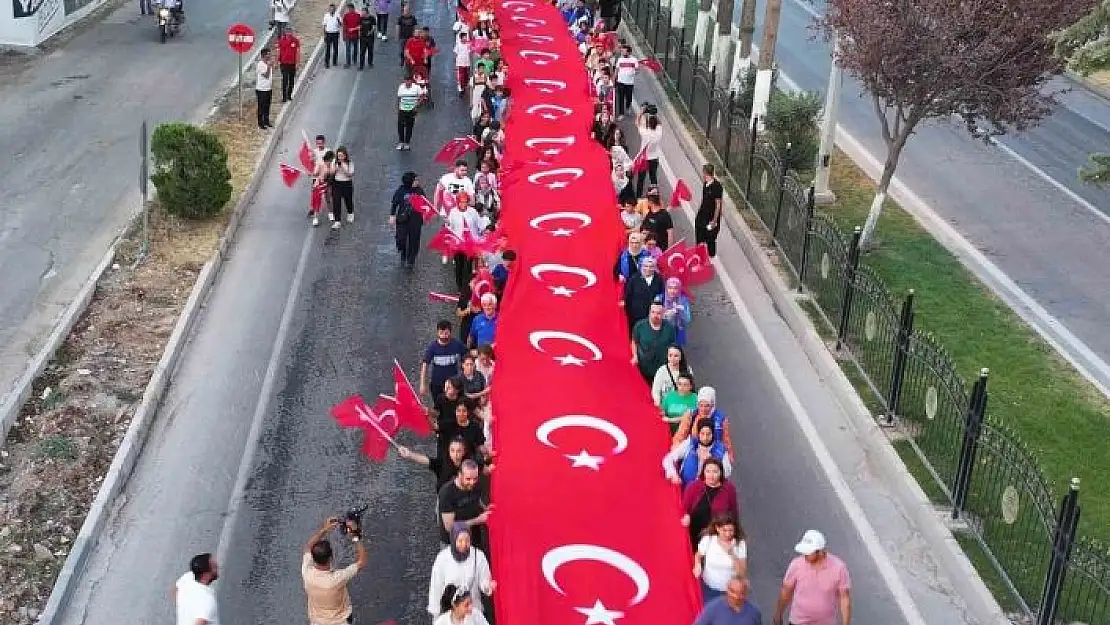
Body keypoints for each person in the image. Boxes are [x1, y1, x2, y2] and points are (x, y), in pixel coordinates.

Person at [773, 530, 852, 625]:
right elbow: (786, 591)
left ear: (821, 552)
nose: (805, 554)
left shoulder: (839, 568)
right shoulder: (796, 565)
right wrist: (778, 613)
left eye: (808, 552)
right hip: (798, 622)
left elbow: (844, 598)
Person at [302, 516, 367, 625]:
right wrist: (355, 536)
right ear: (331, 557)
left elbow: (308, 547)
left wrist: (325, 529)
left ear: (313, 558)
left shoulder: (307, 573)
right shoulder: (337, 579)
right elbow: (362, 562)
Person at [427, 523, 496, 619]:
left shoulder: (478, 556)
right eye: (460, 541)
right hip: (451, 616)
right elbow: (436, 587)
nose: (464, 544)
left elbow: (484, 581)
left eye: (467, 540)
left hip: (473, 612)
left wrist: (488, 586)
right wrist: (436, 615)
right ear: (454, 540)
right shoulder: (442, 559)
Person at [680, 457, 739, 548]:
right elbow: (683, 509)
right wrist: (686, 516)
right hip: (694, 530)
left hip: (715, 534)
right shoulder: (693, 487)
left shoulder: (729, 489)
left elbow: (734, 513)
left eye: (715, 471)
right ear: (703, 472)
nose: (711, 475)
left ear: (721, 473)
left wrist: (734, 534)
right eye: (708, 471)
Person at [438, 460, 493, 549]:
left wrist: (485, 508)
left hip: (474, 539)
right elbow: (450, 527)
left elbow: (476, 499)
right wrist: (478, 520)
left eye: (475, 478)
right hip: (453, 542)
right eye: (468, 479)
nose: (472, 482)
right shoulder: (446, 493)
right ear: (460, 475)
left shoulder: (476, 484)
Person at [664, 418, 733, 488]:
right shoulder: (690, 444)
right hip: (686, 487)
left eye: (708, 434)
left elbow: (727, 471)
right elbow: (668, 459)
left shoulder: (720, 449)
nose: (705, 438)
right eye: (702, 434)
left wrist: (711, 462)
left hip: (709, 491)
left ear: (713, 434)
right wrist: (673, 474)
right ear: (698, 433)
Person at [694, 516, 749, 603]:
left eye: (731, 530)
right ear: (717, 529)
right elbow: (698, 555)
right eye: (724, 530)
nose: (728, 534)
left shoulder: (740, 544)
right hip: (708, 589)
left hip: (730, 592)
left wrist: (731, 553)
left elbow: (741, 573)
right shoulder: (708, 540)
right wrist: (698, 565)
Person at [671, 386, 734, 460]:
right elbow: (680, 436)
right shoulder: (691, 415)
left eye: (707, 406)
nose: (703, 409)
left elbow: (725, 440)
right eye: (701, 405)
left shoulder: (721, 418)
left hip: (714, 456)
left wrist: (729, 456)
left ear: (712, 405)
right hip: (694, 454)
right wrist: (676, 452)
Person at [398, 436, 475, 492]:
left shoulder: (469, 464)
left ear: (464, 452)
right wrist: (409, 454)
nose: (455, 454)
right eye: (452, 450)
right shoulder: (442, 463)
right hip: (445, 502)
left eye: (459, 451)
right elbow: (426, 460)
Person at [631, 299, 677, 382]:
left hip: (662, 370)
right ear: (649, 312)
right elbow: (634, 341)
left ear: (663, 314)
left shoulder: (669, 328)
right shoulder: (639, 326)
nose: (655, 315)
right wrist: (635, 356)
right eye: (653, 312)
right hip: (643, 369)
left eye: (658, 313)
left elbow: (673, 347)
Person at [421, 320, 469, 397]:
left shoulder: (457, 344)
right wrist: (422, 384)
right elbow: (425, 364)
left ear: (450, 332)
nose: (443, 336)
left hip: (454, 384)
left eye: (446, 333)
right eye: (441, 333)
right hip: (437, 385)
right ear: (437, 333)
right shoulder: (432, 347)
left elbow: (467, 355)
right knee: (438, 406)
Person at [694, 576, 763, 625]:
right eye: (732, 591)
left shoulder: (754, 612)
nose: (735, 596)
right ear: (727, 589)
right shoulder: (712, 608)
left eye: (740, 593)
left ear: (746, 594)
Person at [391, 171, 425, 266]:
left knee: (414, 239)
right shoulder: (401, 190)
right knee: (401, 238)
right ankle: (403, 251)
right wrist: (392, 215)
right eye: (415, 180)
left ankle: (411, 258)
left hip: (416, 218)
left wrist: (425, 214)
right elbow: (394, 203)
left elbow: (425, 203)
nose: (417, 182)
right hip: (402, 217)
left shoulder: (419, 190)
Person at [173, 553, 219, 625]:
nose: (217, 567)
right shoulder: (207, 601)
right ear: (205, 575)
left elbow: (176, 588)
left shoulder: (187, 577)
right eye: (214, 567)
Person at [622, 256, 664, 330]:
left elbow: (662, 295)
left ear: (654, 268)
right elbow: (627, 297)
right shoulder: (634, 279)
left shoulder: (659, 279)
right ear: (641, 266)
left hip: (653, 317)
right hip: (636, 317)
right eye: (645, 266)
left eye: (651, 266)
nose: (648, 269)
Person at [696, 163, 725, 257]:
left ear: (705, 173)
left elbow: (718, 205)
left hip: (711, 217)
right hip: (702, 215)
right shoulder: (705, 184)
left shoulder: (717, 187)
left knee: (710, 238)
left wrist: (714, 220)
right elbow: (704, 199)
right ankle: (699, 255)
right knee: (699, 234)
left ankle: (711, 256)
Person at [636, 110, 663, 196]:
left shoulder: (645, 132)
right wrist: (654, 114)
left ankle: (638, 196)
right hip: (654, 158)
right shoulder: (658, 133)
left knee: (641, 179)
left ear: (648, 124)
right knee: (653, 177)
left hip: (644, 159)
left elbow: (637, 122)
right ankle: (655, 196)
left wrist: (642, 111)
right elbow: (660, 123)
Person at [662, 276, 693, 345]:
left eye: (675, 288)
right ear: (666, 288)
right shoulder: (660, 299)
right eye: (670, 288)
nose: (672, 291)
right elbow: (653, 318)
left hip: (677, 331)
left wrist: (682, 311)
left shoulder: (683, 300)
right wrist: (666, 315)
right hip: (662, 332)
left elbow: (688, 319)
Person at [396, 73, 423, 150]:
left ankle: (407, 143)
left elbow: (421, 97)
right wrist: (398, 108)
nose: (407, 82)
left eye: (409, 81)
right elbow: (399, 98)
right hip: (402, 109)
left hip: (411, 110)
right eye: (406, 81)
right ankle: (401, 142)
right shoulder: (401, 87)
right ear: (404, 81)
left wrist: (417, 106)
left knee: (409, 127)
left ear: (411, 81)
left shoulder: (416, 88)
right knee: (400, 126)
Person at [330, 146, 355, 227]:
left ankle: (350, 213)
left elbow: (350, 174)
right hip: (337, 184)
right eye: (338, 155)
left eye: (341, 156)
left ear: (345, 155)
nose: (339, 157)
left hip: (346, 183)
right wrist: (336, 168)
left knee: (348, 200)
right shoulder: (334, 162)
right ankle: (337, 220)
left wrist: (343, 168)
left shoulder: (349, 162)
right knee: (336, 202)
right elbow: (331, 172)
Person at [614, 44, 638, 118]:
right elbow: (617, 69)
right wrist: (614, 78)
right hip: (620, 81)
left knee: (629, 97)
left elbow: (637, 70)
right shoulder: (620, 59)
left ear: (628, 52)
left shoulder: (634, 60)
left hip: (629, 82)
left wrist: (633, 73)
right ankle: (621, 113)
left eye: (624, 51)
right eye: (622, 51)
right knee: (620, 98)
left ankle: (628, 107)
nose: (622, 52)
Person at [277, 27, 300, 102]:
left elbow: (298, 52)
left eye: (290, 32)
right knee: (284, 80)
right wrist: (278, 61)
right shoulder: (281, 41)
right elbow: (279, 51)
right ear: (285, 32)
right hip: (284, 64)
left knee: (291, 80)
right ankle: (284, 97)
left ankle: (289, 95)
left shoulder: (295, 41)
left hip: (292, 63)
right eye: (287, 32)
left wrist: (297, 63)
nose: (289, 33)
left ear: (292, 32)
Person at [255, 48, 273, 130]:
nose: (269, 56)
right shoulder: (260, 65)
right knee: (261, 107)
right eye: (268, 54)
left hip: (268, 88)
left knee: (267, 106)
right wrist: (269, 67)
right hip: (261, 90)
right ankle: (260, 123)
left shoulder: (268, 63)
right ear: (264, 55)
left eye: (270, 54)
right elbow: (266, 76)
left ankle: (266, 120)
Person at [341, 2, 361, 68]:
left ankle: (354, 59)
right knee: (348, 50)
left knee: (355, 48)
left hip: (355, 35)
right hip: (348, 36)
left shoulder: (358, 16)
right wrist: (343, 36)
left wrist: (354, 30)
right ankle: (348, 62)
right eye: (348, 9)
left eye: (349, 8)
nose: (349, 10)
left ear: (353, 8)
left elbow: (360, 25)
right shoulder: (346, 16)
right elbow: (344, 26)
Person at [322, 4, 341, 68]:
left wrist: (338, 20)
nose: (332, 10)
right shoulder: (326, 15)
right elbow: (324, 25)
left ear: (335, 9)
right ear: (329, 9)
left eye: (333, 9)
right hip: (328, 33)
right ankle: (327, 63)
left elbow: (341, 24)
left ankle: (334, 61)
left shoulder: (337, 15)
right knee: (328, 49)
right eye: (330, 9)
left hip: (335, 33)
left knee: (335, 48)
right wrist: (324, 34)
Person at [454, 30, 473, 96]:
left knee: (466, 76)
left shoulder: (468, 45)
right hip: (460, 63)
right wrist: (456, 64)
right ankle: (460, 90)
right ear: (461, 38)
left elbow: (470, 52)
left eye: (466, 37)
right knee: (460, 77)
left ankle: (464, 87)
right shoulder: (458, 45)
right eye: (464, 37)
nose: (465, 38)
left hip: (467, 63)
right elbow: (455, 54)